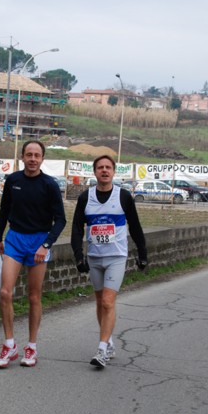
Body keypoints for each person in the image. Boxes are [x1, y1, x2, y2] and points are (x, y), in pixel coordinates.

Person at [0, 140, 66, 368]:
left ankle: (32, 346)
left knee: (34, 296)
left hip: (38, 242)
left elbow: (60, 220)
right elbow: (4, 210)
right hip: (14, 239)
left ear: (42, 159)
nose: (33, 159)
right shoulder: (13, 180)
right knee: (5, 292)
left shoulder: (50, 185)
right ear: (22, 157)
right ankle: (9, 344)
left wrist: (46, 245)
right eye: (29, 154)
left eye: (37, 155)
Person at [71, 154, 148, 369]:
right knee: (99, 302)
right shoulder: (85, 198)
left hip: (116, 257)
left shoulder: (123, 196)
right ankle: (109, 341)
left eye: (108, 167)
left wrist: (142, 254)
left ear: (113, 172)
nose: (104, 171)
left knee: (107, 301)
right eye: (100, 168)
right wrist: (78, 255)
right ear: (94, 172)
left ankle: (102, 349)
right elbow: (77, 229)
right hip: (95, 257)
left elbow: (135, 226)